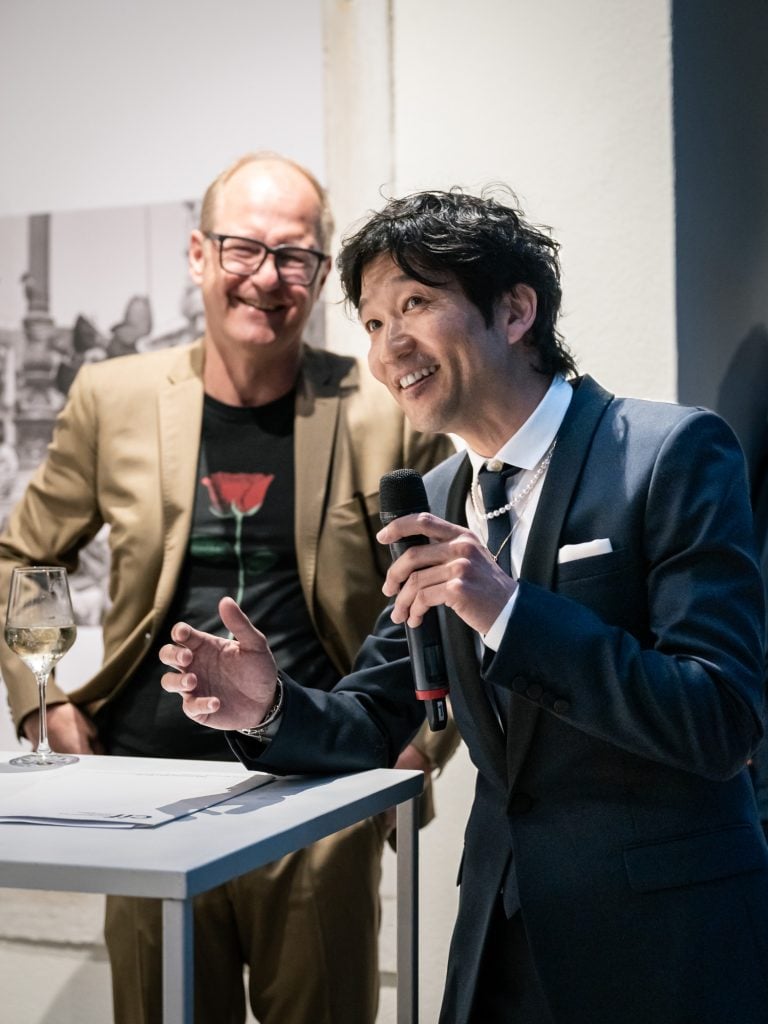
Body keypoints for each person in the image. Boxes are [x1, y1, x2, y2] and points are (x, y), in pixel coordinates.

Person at [161, 186, 768, 1024]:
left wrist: (510, 612)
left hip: (665, 941)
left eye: (414, 303)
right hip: (499, 944)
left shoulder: (672, 452)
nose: (388, 347)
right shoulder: (440, 493)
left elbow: (722, 717)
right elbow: (376, 716)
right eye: (372, 323)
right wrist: (266, 707)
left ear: (516, 311)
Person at [0, 154, 456, 1024]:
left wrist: (413, 750)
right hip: (142, 790)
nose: (267, 278)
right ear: (199, 256)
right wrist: (40, 700)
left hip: (317, 789)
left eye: (294, 257)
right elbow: (21, 557)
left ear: (321, 275)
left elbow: (444, 590)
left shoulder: (384, 403)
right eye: (244, 249)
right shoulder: (113, 396)